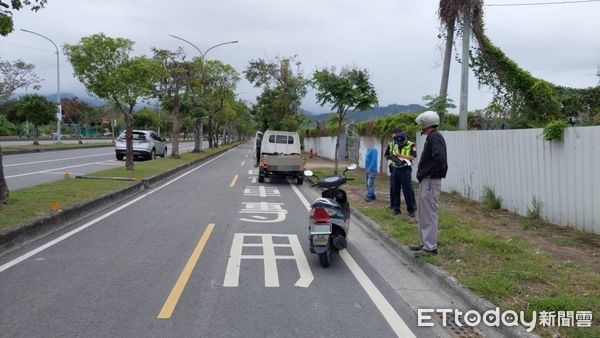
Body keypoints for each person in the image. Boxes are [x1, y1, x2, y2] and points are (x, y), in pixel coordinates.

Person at [411, 111, 448, 256]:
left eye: (422, 124)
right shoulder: (433, 137)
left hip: (430, 181)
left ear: (426, 123)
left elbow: (440, 159)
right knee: (423, 213)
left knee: (429, 214)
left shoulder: (435, 138)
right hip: (428, 180)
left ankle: (430, 247)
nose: (421, 127)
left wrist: (430, 173)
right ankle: (426, 243)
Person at [384, 128, 417, 216]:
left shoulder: (411, 144)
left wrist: (400, 156)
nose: (400, 144)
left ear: (405, 139)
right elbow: (387, 154)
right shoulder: (393, 144)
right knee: (395, 189)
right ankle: (396, 209)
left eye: (402, 142)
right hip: (395, 169)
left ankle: (411, 210)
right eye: (399, 142)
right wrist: (391, 157)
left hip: (405, 169)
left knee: (407, 190)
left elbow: (413, 157)